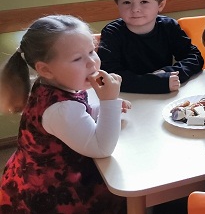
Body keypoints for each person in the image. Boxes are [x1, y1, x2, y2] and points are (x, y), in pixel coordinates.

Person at [0, 15, 127, 213]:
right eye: (77, 59)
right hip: (54, 189)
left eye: (92, 51)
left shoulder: (55, 84)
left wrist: (105, 109)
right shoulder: (61, 109)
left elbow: (79, 115)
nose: (92, 63)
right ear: (45, 69)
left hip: (32, 169)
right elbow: (102, 148)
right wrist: (109, 102)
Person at [98, 0, 203, 93]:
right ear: (117, 4)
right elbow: (109, 76)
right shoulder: (112, 33)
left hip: (165, 97)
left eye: (144, 1)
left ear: (160, 5)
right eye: (127, 2)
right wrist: (156, 82)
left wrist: (167, 73)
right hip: (127, 99)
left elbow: (194, 57)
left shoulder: (168, 26)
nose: (135, 9)